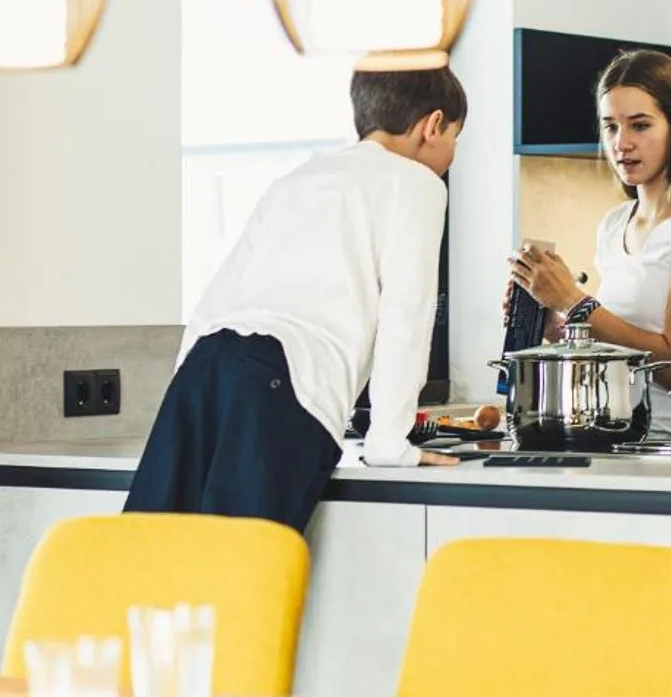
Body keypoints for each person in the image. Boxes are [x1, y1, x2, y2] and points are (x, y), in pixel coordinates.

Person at [124, 67, 466, 533]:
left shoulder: (300, 177)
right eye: (455, 137)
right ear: (433, 124)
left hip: (203, 366)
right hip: (285, 380)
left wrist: (188, 392)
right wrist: (388, 442)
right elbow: (406, 315)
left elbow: (222, 291)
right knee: (242, 565)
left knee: (151, 557)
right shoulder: (415, 183)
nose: (452, 154)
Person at [508, 49, 671, 431]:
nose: (622, 143)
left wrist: (573, 300)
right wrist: (553, 321)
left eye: (640, 125)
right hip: (624, 436)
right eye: (611, 127)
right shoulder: (614, 224)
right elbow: (612, 348)